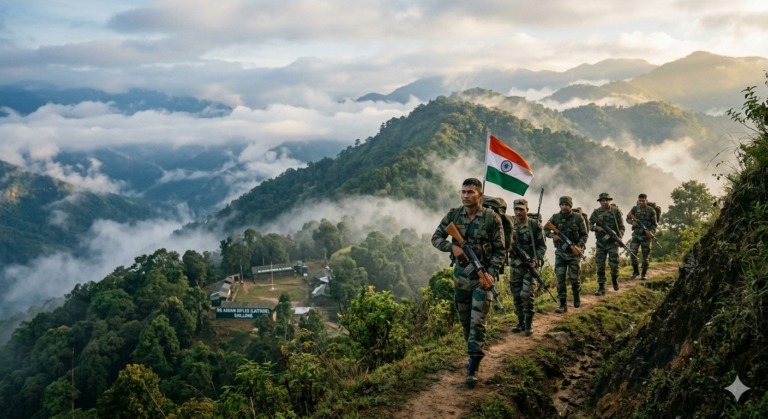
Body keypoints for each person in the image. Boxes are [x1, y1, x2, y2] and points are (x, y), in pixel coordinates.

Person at [431, 178, 505, 387]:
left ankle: (473, 364)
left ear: (480, 195)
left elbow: (500, 250)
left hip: (482, 280)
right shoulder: (454, 215)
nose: (465, 196)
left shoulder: (492, 219)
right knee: (465, 322)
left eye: (470, 192)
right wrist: (451, 247)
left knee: (478, 322)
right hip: (461, 278)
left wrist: (490, 273)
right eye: (463, 192)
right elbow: (436, 238)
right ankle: (472, 352)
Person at [509, 199, 546, 336]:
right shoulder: (510, 224)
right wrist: (508, 248)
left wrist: (536, 260)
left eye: (521, 209)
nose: (518, 212)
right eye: (516, 210)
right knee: (516, 295)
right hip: (515, 266)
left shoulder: (535, 226)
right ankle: (520, 322)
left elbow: (542, 247)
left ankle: (529, 323)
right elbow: (503, 241)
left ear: (527, 210)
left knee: (527, 294)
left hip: (529, 266)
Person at [545, 196, 588, 313]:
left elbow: (584, 234)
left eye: (566, 205)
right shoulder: (555, 217)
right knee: (560, 280)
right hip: (560, 253)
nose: (564, 206)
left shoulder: (578, 218)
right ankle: (563, 304)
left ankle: (576, 296)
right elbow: (545, 229)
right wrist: (553, 236)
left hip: (574, 254)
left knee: (575, 279)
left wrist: (578, 246)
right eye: (562, 204)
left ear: (570, 206)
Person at [589, 193, 625, 295]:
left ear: (609, 201)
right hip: (601, 243)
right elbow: (589, 223)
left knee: (614, 265)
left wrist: (619, 237)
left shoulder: (616, 211)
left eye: (606, 200)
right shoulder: (596, 212)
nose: (604, 202)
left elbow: (622, 227)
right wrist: (596, 228)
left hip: (613, 243)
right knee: (600, 266)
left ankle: (614, 279)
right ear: (600, 202)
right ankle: (601, 288)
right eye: (602, 200)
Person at [627, 193, 657, 280]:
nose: (641, 202)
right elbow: (628, 218)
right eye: (639, 201)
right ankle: (635, 271)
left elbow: (654, 224)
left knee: (645, 256)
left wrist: (651, 232)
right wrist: (632, 222)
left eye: (643, 201)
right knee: (632, 253)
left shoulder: (651, 211)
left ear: (646, 201)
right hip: (636, 236)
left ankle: (644, 273)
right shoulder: (635, 209)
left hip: (646, 237)